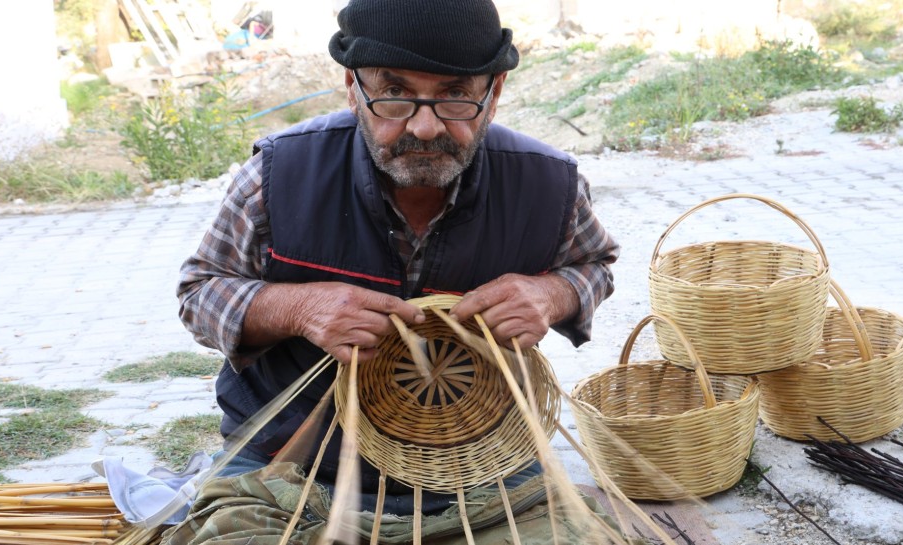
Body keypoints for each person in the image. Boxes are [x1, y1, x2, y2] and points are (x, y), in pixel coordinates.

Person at [168, 0, 621, 542]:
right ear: (352, 87)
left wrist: (552, 293)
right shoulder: (279, 174)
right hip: (294, 468)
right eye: (394, 93)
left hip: (486, 467)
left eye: (456, 95)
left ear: (493, 93)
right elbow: (199, 293)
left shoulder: (549, 184)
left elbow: (594, 266)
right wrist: (298, 308)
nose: (425, 127)